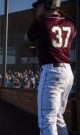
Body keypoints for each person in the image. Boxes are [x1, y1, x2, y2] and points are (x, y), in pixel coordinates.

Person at [26, 0, 76, 134]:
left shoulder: (41, 23)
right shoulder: (70, 24)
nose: (37, 9)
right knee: (58, 118)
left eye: (39, 6)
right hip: (67, 73)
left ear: (47, 5)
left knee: (47, 121)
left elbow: (29, 36)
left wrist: (39, 17)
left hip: (52, 72)